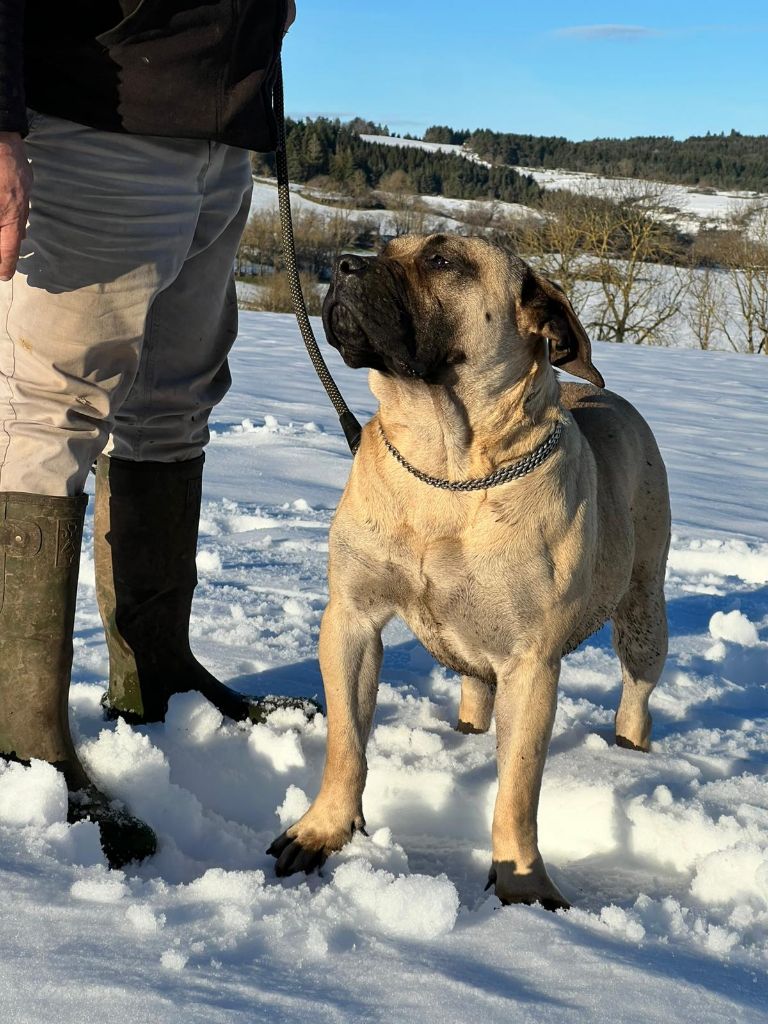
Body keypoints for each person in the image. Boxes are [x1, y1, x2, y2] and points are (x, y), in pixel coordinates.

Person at [0, 0, 297, 867]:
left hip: (220, 126)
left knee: (173, 404)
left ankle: (156, 674)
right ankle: (18, 735)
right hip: (93, 115)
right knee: (48, 415)